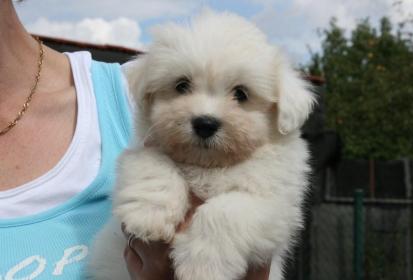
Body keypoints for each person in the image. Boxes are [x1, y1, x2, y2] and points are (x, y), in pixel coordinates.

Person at [0, 0, 270, 279]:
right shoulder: (148, 102)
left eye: (239, 95)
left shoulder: (123, 101)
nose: (206, 111)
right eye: (182, 87)